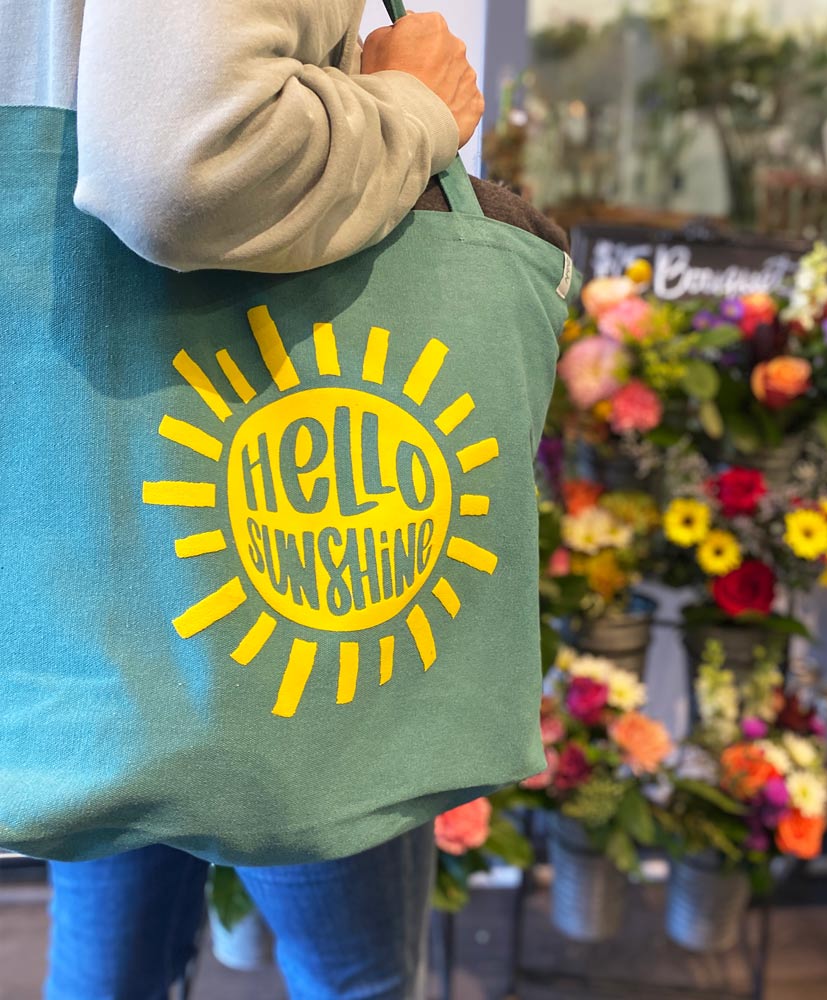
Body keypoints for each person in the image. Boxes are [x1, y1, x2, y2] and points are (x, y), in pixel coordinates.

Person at [0, 2, 514, 998]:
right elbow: (177, 164)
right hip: (289, 529)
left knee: (108, 967)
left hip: (90, 482)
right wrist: (413, 104)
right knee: (355, 971)